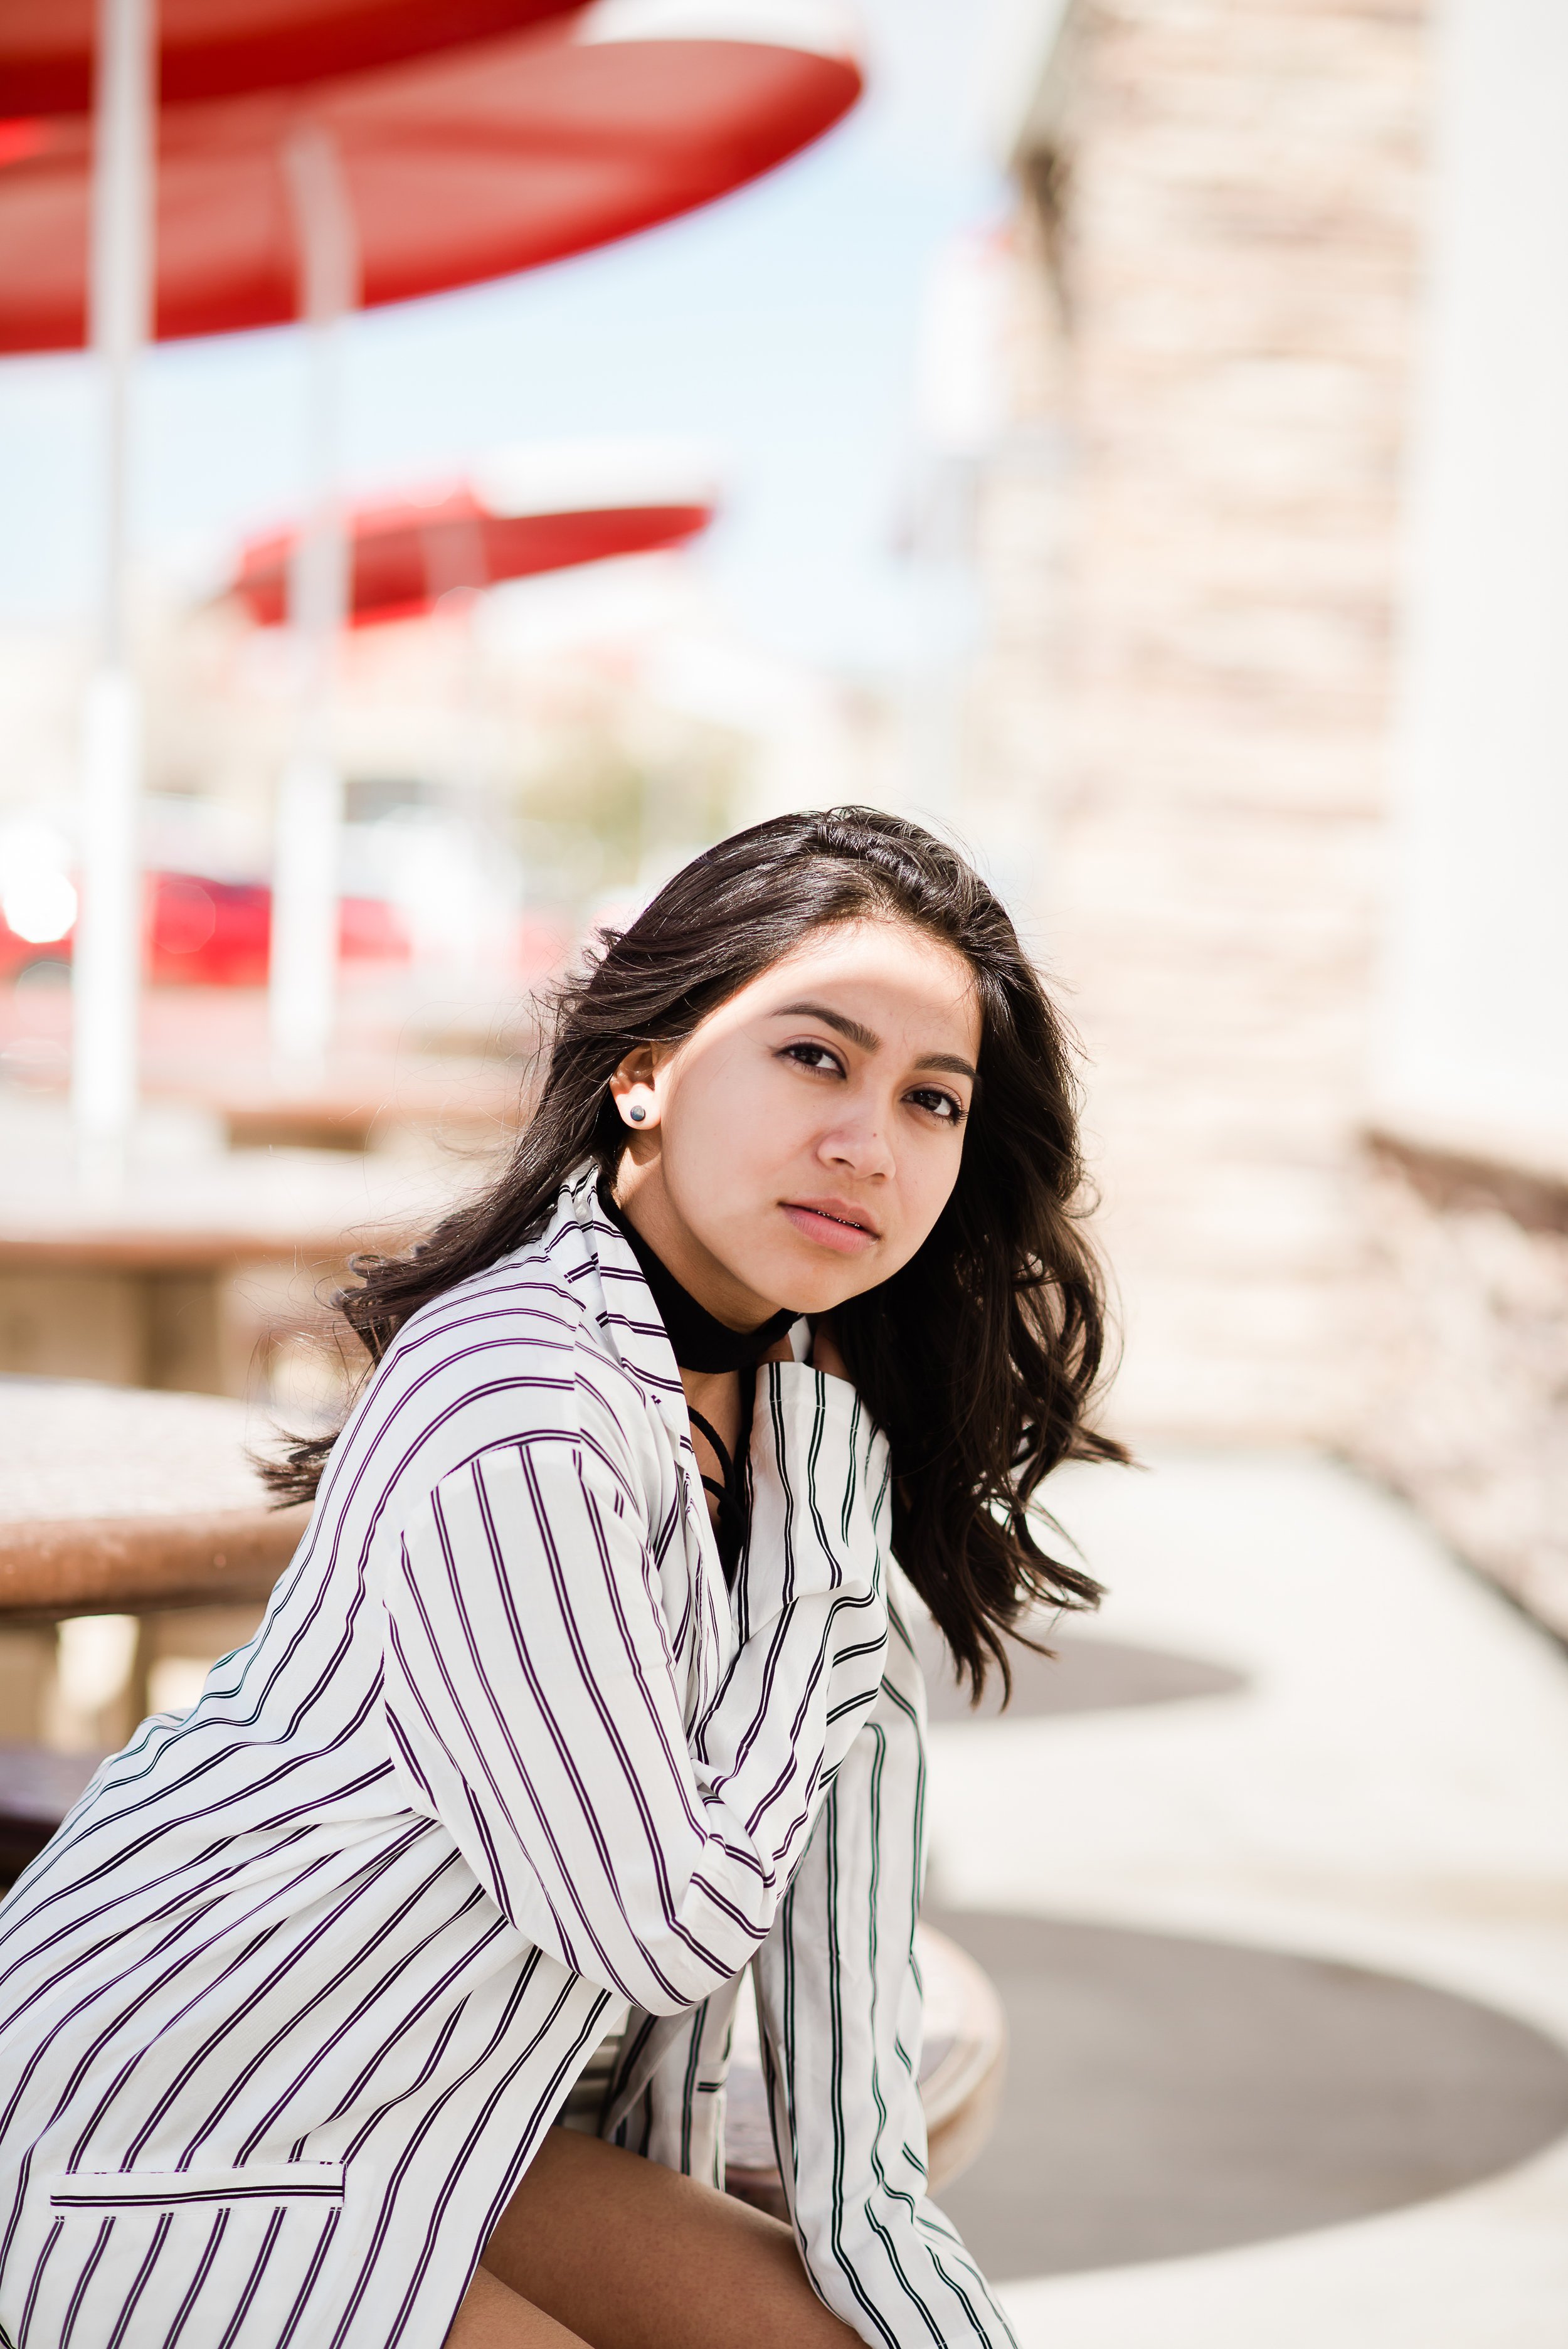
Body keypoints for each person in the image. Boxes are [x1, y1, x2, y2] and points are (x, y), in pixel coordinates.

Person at [0, 808, 1121, 2349]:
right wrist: (822, 1601)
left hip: (437, 2115)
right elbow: (654, 1925)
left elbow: (844, 2012)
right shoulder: (515, 1397)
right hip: (171, 2127)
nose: (868, 1139)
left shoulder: (808, 1430)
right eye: (813, 1056)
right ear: (642, 1066)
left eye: (931, 1098)